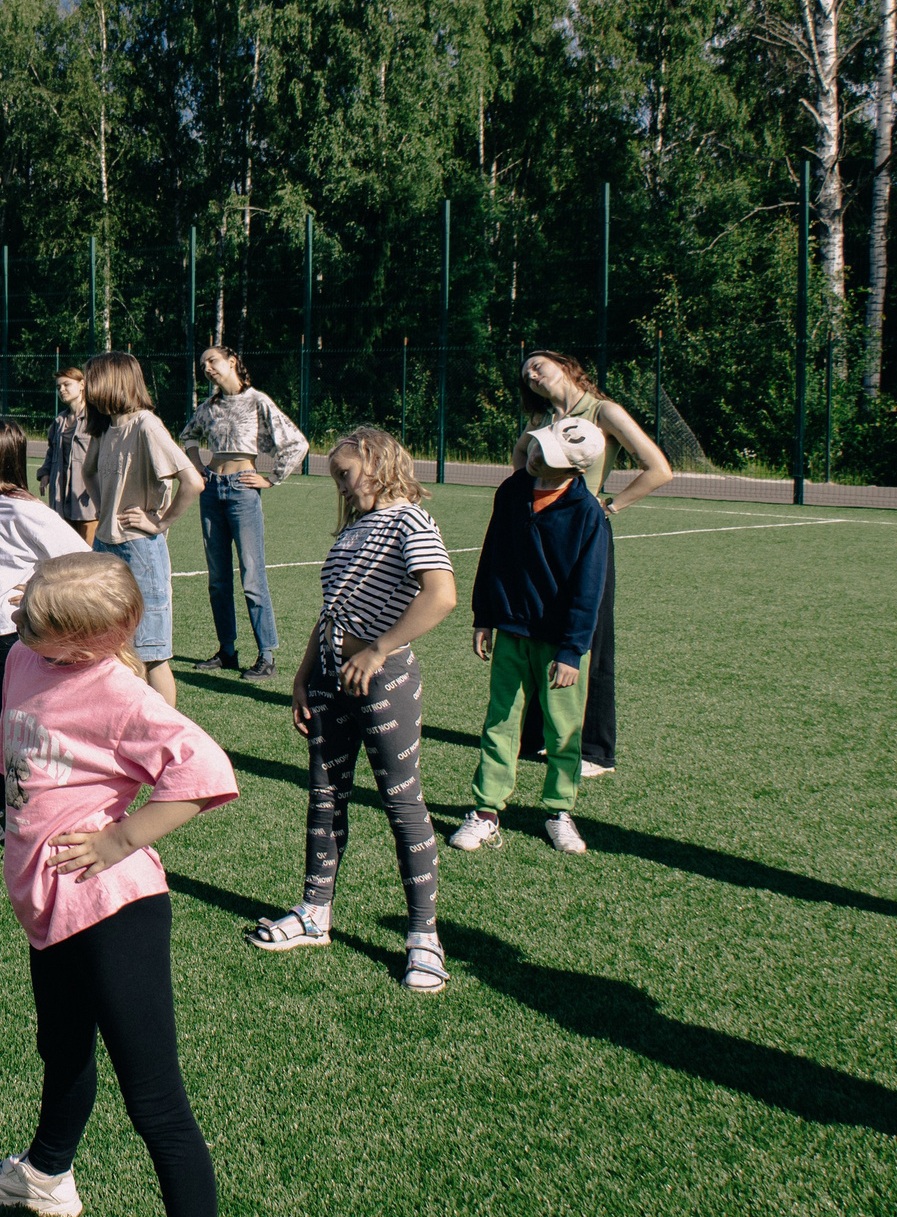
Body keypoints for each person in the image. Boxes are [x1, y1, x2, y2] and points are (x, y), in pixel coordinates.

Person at [0, 551, 236, 1217]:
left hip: (114, 912)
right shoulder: (26, 655)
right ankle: (47, 1174)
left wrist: (121, 836)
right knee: (63, 1049)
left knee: (156, 1104)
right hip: (50, 907)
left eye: (35, 623)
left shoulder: (119, 691)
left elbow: (204, 771)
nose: (17, 626)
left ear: (84, 644)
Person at [247, 427, 456, 994]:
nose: (340, 485)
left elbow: (441, 594)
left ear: (377, 462)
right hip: (328, 681)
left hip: (383, 680)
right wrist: (301, 676)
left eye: (346, 473)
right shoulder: (358, 528)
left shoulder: (411, 520)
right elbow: (331, 610)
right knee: (324, 795)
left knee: (401, 802)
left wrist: (381, 649)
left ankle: (423, 936)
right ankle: (315, 914)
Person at [452, 415, 612, 856]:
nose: (536, 457)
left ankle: (559, 810)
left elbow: (589, 587)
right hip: (510, 630)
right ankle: (485, 810)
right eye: (538, 448)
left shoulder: (587, 513)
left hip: (559, 642)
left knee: (563, 730)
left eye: (548, 455)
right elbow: (492, 554)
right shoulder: (511, 491)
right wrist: (483, 615)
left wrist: (572, 649)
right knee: (500, 721)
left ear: (575, 470)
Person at [513, 350, 672, 777]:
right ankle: (538, 739)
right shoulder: (542, 420)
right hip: (541, 536)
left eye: (538, 364)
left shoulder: (604, 411)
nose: (531, 373)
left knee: (591, 638)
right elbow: (518, 465)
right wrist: (534, 437)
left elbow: (658, 468)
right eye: (526, 373)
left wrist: (610, 508)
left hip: (584, 533)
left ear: (565, 366)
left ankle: (594, 750)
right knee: (537, 632)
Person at [0, 416, 87, 849]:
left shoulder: (23, 507)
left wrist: (38, 587)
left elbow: (81, 555)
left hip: (11, 641)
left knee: (21, 730)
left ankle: (29, 813)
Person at [81, 352, 204, 706]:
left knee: (151, 651)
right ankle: (129, 723)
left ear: (113, 381)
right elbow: (88, 472)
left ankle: (165, 734)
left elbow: (192, 482)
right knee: (115, 648)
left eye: (92, 379)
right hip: (104, 549)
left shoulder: (146, 424)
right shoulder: (104, 427)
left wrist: (159, 523)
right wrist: (105, 506)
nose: (87, 387)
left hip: (139, 551)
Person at [180, 346, 308, 680]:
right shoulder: (208, 407)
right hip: (212, 490)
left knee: (252, 576)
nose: (207, 368)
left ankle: (266, 656)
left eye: (213, 361)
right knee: (218, 580)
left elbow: (296, 443)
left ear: (232, 362)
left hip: (242, 492)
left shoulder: (257, 401)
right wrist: (199, 469)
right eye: (202, 364)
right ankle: (227, 651)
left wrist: (271, 479)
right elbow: (188, 436)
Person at [40, 367, 97, 542]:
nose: (62, 390)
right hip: (61, 496)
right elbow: (51, 451)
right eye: (58, 387)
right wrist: (45, 473)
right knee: (66, 549)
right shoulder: (59, 421)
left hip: (86, 497)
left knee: (89, 553)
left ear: (82, 385)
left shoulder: (96, 418)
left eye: (66, 385)